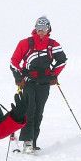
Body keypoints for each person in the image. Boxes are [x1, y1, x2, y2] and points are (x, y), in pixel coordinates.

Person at [10, 16, 67, 153]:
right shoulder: (26, 43)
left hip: (44, 83)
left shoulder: (53, 44)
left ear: (48, 30)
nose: (41, 31)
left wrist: (53, 74)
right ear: (35, 29)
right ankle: (27, 142)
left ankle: (33, 142)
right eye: (38, 28)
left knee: (39, 112)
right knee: (30, 110)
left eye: (44, 29)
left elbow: (62, 60)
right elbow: (14, 62)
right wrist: (19, 77)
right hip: (29, 81)